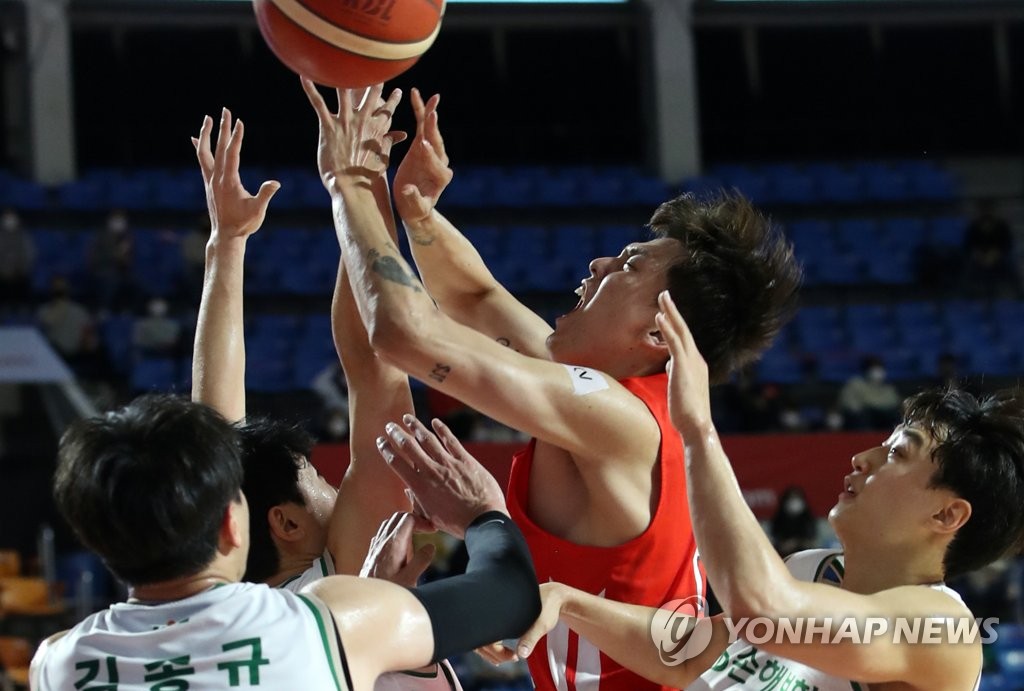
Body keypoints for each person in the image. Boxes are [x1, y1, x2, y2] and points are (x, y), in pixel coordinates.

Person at [300, 80, 802, 691]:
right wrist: (415, 208)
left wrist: (349, 181)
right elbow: (473, 297)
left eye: (628, 265)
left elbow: (407, 336)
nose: (599, 265)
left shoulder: (617, 416)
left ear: (655, 334)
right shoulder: (596, 396)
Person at [504, 291, 1024, 691]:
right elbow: (687, 654)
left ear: (947, 515)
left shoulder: (943, 627)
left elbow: (768, 613)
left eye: (896, 454)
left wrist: (699, 433)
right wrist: (567, 601)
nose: (862, 459)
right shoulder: (808, 571)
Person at [189, 108, 463, 690]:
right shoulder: (338, 583)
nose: (332, 481)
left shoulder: (231, 609)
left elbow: (214, 431)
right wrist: (359, 183)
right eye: (313, 474)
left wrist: (228, 244)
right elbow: (378, 364)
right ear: (287, 522)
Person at [30, 394, 541, 690]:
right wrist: (481, 511)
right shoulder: (321, 624)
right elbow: (510, 594)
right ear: (234, 524)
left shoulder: (56, 664)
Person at [838, 355, 902, 430]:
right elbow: (852, 406)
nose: (877, 371)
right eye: (874, 368)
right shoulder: (855, 384)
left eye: (879, 368)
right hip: (864, 419)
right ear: (867, 369)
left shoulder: (888, 388)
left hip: (884, 418)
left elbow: (894, 404)